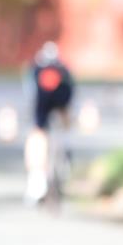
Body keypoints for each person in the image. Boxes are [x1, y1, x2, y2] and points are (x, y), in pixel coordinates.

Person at [24, 41, 73, 204]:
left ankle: (37, 181)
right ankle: (65, 159)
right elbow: (70, 94)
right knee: (62, 127)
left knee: (38, 134)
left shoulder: (36, 70)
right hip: (60, 100)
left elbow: (31, 96)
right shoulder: (63, 70)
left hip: (44, 102)